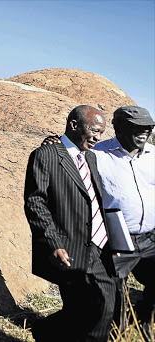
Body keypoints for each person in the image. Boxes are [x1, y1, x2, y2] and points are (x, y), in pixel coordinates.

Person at [43, 106, 155, 338]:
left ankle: (145, 321)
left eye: (148, 127)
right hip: (117, 242)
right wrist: (54, 142)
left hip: (152, 237)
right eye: (138, 128)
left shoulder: (154, 154)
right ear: (120, 128)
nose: (145, 133)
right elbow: (69, 154)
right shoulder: (97, 152)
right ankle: (57, 330)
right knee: (110, 299)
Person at [24, 105, 115, 341]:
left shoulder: (91, 157)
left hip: (98, 246)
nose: (97, 137)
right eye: (93, 130)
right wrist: (52, 242)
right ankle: (47, 332)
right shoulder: (46, 154)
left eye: (101, 133)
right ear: (74, 125)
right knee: (93, 307)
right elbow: (35, 202)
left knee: (101, 305)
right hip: (69, 247)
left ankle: (45, 331)